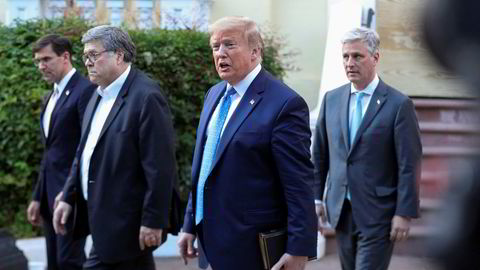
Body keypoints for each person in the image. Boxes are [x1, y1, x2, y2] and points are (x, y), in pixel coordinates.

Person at [177, 16, 317, 270]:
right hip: (209, 243)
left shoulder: (285, 104)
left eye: (229, 44)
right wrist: (190, 224)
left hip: (252, 248)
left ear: (255, 52)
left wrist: (299, 249)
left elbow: (299, 184)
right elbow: (205, 168)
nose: (220, 53)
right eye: (215, 46)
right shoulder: (214, 94)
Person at [52, 25, 177, 269]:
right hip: (101, 218)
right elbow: (84, 151)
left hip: (127, 222)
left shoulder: (146, 97)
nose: (87, 63)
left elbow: (160, 166)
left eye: (93, 55)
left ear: (119, 55)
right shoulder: (97, 94)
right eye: (85, 56)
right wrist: (68, 195)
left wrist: (153, 219)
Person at [312, 27, 422, 270]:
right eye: (345, 56)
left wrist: (404, 212)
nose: (350, 63)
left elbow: (409, 164)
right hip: (341, 210)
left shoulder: (399, 104)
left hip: (379, 213)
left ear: (375, 58)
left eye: (357, 56)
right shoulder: (332, 99)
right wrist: (316, 199)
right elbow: (319, 155)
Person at [27, 34, 95, 270]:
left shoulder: (85, 91)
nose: (41, 66)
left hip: (71, 196)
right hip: (48, 196)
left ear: (65, 57)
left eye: (46, 59)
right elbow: (50, 152)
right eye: (37, 61)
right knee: (55, 263)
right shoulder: (50, 96)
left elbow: (86, 146)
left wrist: (68, 193)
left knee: (70, 262)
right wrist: (37, 196)